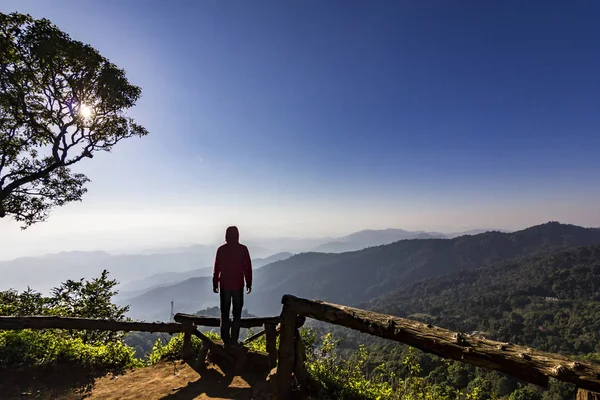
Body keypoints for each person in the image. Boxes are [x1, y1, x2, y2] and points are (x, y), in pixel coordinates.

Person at [212, 226, 252, 346]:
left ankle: (225, 340)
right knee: (237, 314)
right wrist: (249, 283)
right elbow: (247, 268)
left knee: (224, 313)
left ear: (226, 236)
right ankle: (234, 340)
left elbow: (216, 268)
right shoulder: (243, 249)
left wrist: (215, 282)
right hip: (238, 285)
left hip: (224, 285)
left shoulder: (221, 250)